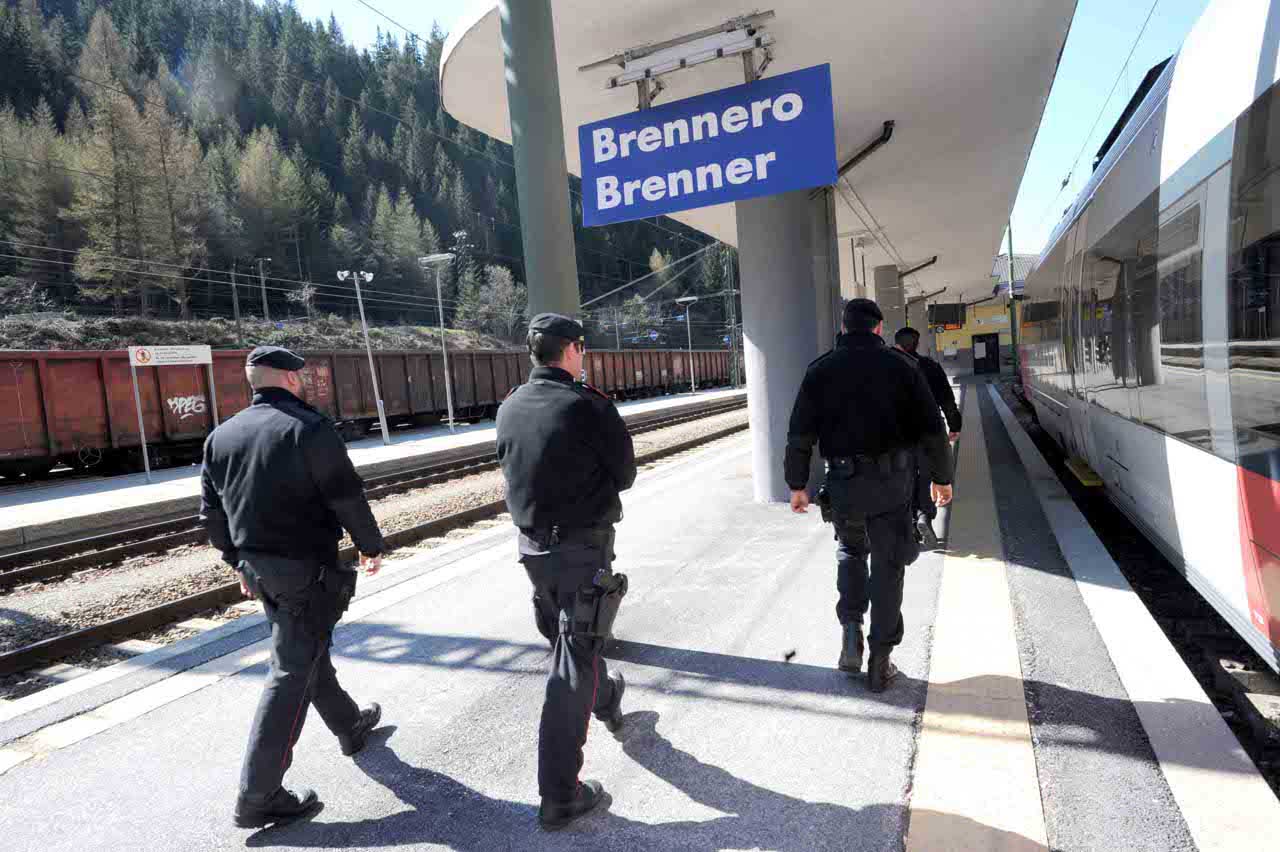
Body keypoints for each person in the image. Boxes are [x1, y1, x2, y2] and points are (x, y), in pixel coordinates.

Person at [201, 346, 386, 828]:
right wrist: (370, 544)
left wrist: (235, 560)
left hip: (260, 571)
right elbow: (345, 493)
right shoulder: (308, 428)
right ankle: (259, 794)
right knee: (290, 670)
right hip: (305, 569)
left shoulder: (221, 436)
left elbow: (211, 512)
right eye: (300, 376)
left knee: (304, 649)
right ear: (289, 379)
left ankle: (350, 725)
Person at [495, 313, 635, 830]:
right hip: (582, 548)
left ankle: (609, 697)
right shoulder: (588, 405)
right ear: (572, 350)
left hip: (533, 553)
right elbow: (625, 474)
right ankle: (560, 796)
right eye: (582, 346)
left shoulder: (509, 405)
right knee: (572, 662)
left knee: (573, 643)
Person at [785, 299, 954, 693]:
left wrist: (797, 485)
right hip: (892, 487)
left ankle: (849, 631)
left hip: (844, 485)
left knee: (850, 550)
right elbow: (933, 428)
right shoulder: (903, 368)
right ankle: (881, 657)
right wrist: (941, 478)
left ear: (843, 328)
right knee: (889, 566)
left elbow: (800, 434)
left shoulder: (820, 370)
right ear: (879, 329)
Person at [893, 326, 961, 546]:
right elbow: (947, 399)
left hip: (900, 435)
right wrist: (954, 425)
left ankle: (911, 522)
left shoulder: (891, 367)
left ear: (896, 344)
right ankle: (924, 516)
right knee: (926, 475)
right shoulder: (930, 366)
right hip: (928, 432)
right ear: (917, 344)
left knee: (906, 476)